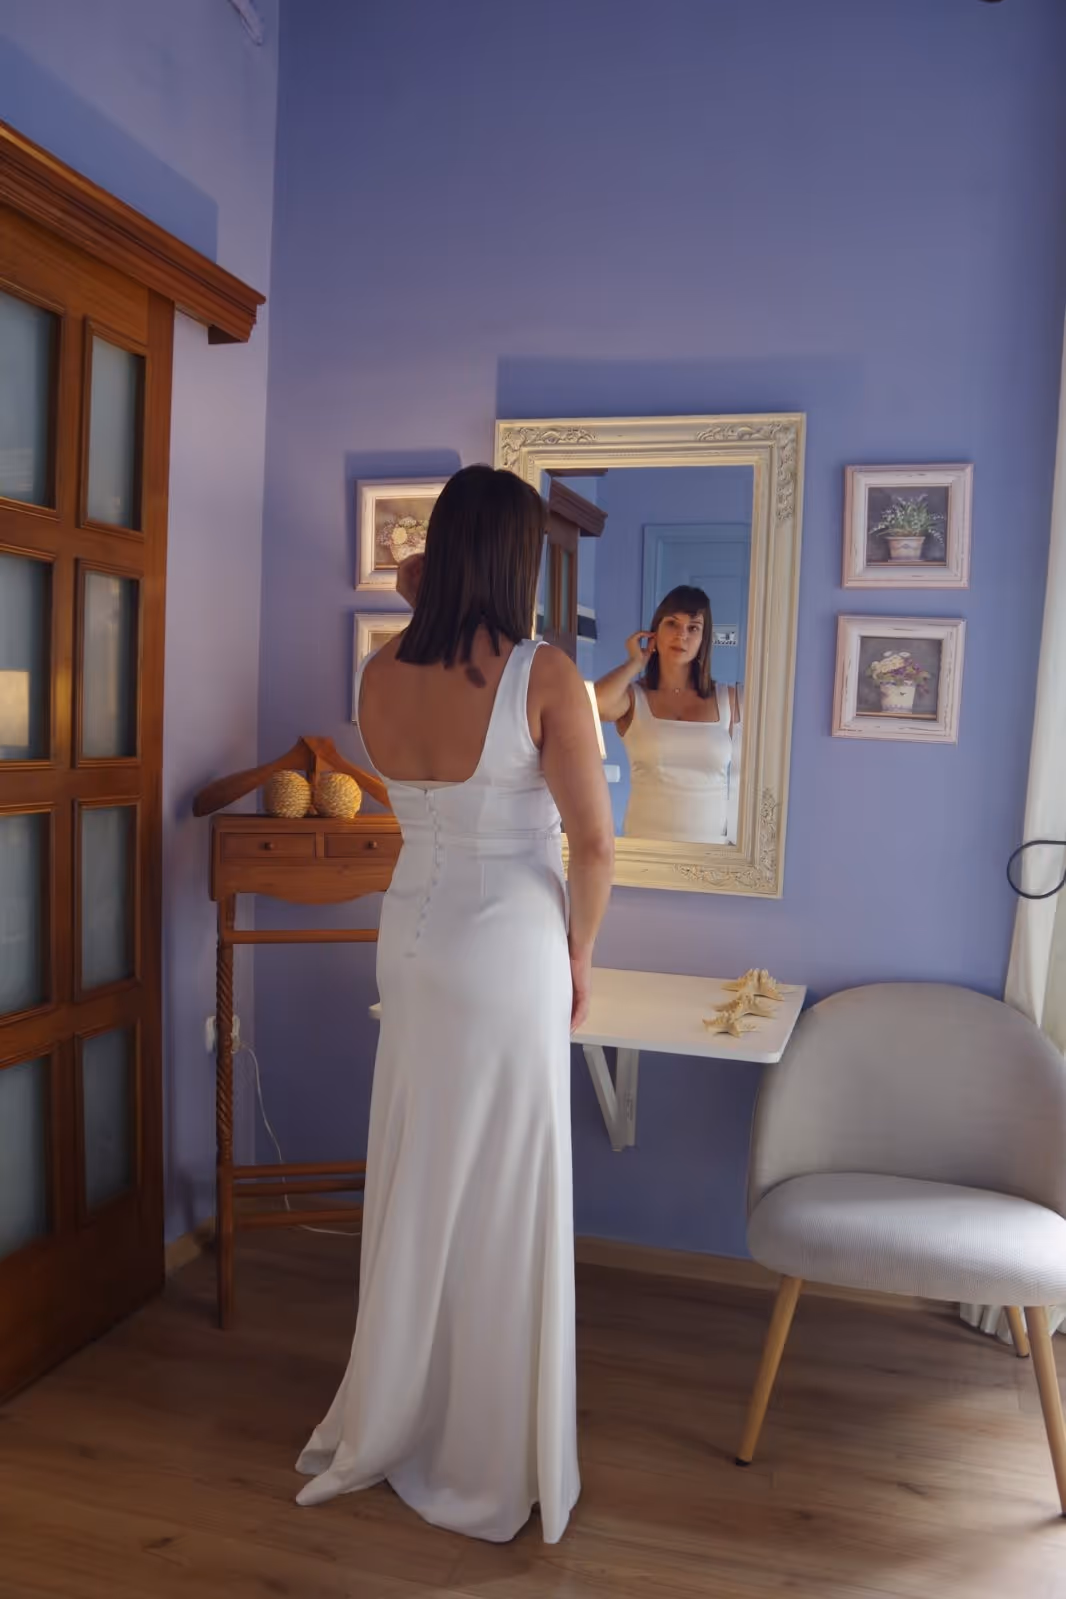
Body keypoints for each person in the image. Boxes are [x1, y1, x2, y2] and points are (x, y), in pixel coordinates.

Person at [296, 465, 614, 1544]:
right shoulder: (544, 674)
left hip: (411, 939)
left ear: (443, 548)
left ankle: (398, 1412)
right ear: (519, 559)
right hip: (508, 943)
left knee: (424, 1173)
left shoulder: (379, 672)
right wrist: (578, 955)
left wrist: (424, 578)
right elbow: (594, 844)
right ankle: (485, 1452)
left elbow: (413, 590)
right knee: (505, 1191)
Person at [595, 585, 742, 845]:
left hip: (714, 857)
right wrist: (634, 663)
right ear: (655, 631)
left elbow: (749, 779)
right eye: (672, 624)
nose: (682, 635)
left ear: (703, 638)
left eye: (693, 627)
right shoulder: (632, 698)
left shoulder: (729, 700)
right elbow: (595, 706)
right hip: (645, 851)